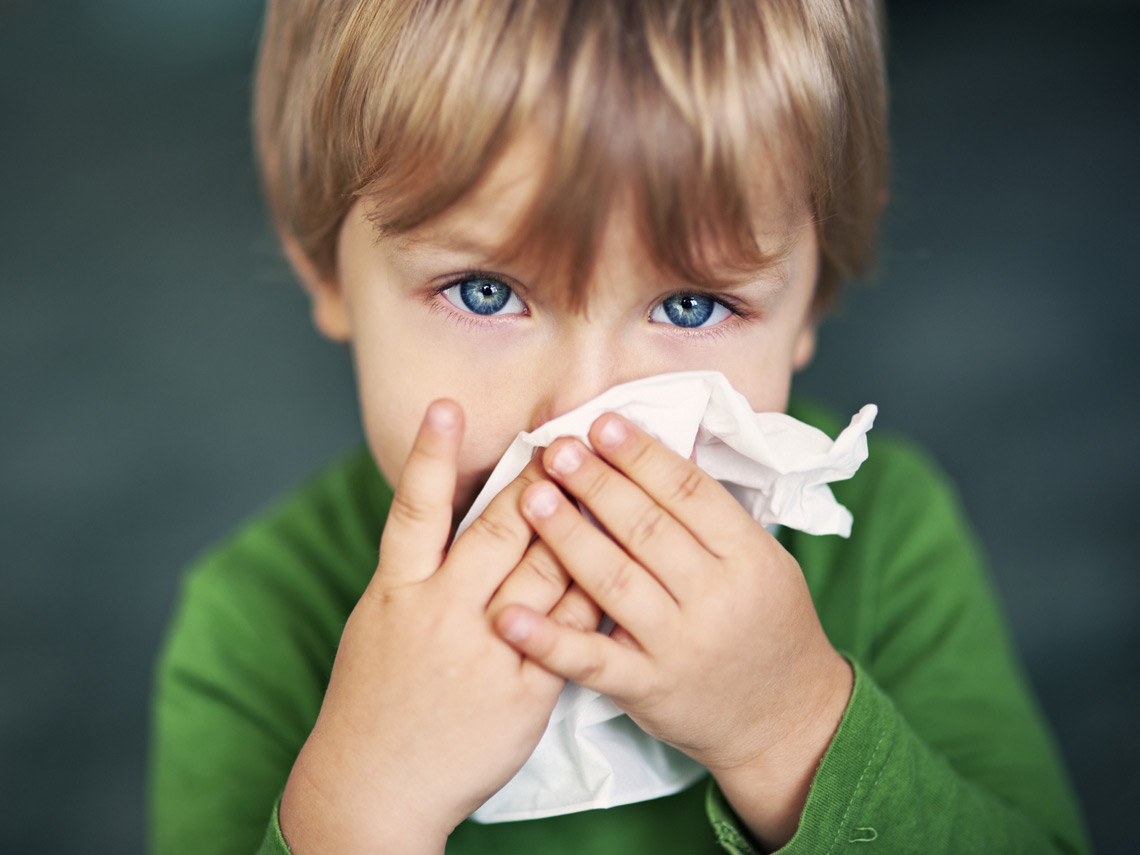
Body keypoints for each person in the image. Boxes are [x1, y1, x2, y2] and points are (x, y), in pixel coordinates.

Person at [148, 1, 1090, 853]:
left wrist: (790, 728)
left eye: (689, 307)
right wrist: (363, 808)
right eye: (487, 292)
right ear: (322, 265)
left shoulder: (885, 535)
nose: (576, 423)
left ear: (817, 292)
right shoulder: (255, 621)